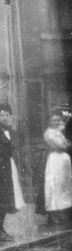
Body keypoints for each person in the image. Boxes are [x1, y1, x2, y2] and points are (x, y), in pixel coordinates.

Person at [43, 111, 72, 225]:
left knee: (64, 185)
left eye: (58, 120)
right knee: (55, 185)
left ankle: (62, 210)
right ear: (49, 121)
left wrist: (66, 144)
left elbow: (69, 144)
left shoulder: (58, 132)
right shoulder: (49, 133)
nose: (57, 122)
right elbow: (61, 145)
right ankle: (53, 213)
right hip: (55, 160)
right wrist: (65, 144)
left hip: (64, 160)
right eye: (54, 120)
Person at [0, 103, 25, 242]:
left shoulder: (11, 131)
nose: (4, 117)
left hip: (8, 168)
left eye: (6, 115)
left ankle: (1, 229)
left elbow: (16, 147)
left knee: (5, 199)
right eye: (1, 114)